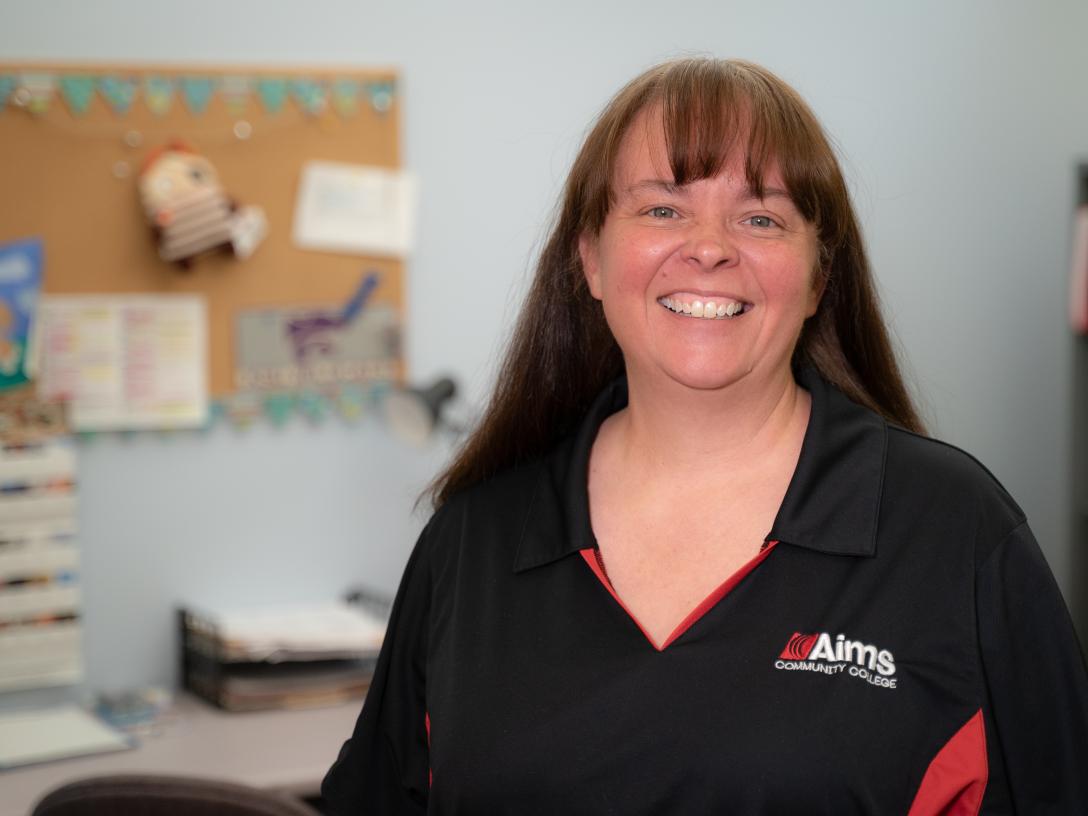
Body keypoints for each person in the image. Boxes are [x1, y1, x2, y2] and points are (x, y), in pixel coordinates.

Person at [322, 58, 1088, 814]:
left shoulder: (953, 530)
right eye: (662, 210)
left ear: (820, 277)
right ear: (589, 258)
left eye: (761, 218)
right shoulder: (475, 538)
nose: (710, 246)